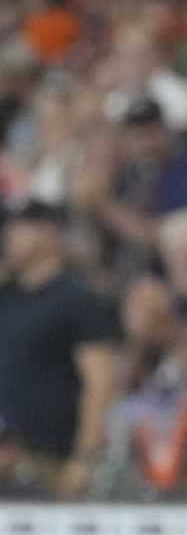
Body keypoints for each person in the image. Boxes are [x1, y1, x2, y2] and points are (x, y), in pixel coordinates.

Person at [0, 199, 118, 498]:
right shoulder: (7, 297)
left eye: (17, 228)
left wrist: (84, 458)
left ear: (48, 232)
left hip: (51, 459)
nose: (8, 236)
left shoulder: (77, 299)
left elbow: (100, 383)